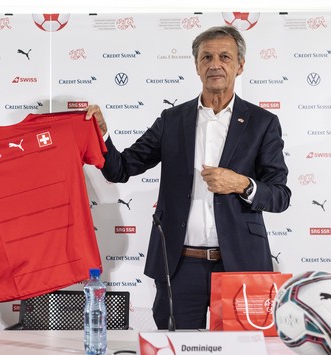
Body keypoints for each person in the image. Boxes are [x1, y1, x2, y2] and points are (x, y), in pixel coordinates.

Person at [86, 25, 291, 330]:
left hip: (240, 264)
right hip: (180, 266)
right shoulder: (172, 120)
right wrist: (100, 134)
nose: (215, 64)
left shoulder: (263, 123)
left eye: (225, 56)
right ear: (196, 66)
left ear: (240, 65)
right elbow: (122, 168)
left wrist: (241, 184)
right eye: (206, 57)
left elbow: (280, 196)